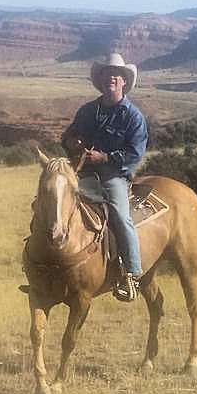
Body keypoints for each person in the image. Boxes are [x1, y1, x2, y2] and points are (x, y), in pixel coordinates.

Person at [60, 52, 148, 301]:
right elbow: (67, 137)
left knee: (120, 214)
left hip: (113, 175)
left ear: (124, 81)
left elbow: (135, 153)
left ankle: (132, 272)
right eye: (107, 73)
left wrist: (105, 158)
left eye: (116, 74)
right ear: (100, 80)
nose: (111, 77)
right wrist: (72, 142)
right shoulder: (87, 111)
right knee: (51, 199)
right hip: (83, 170)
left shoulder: (133, 116)